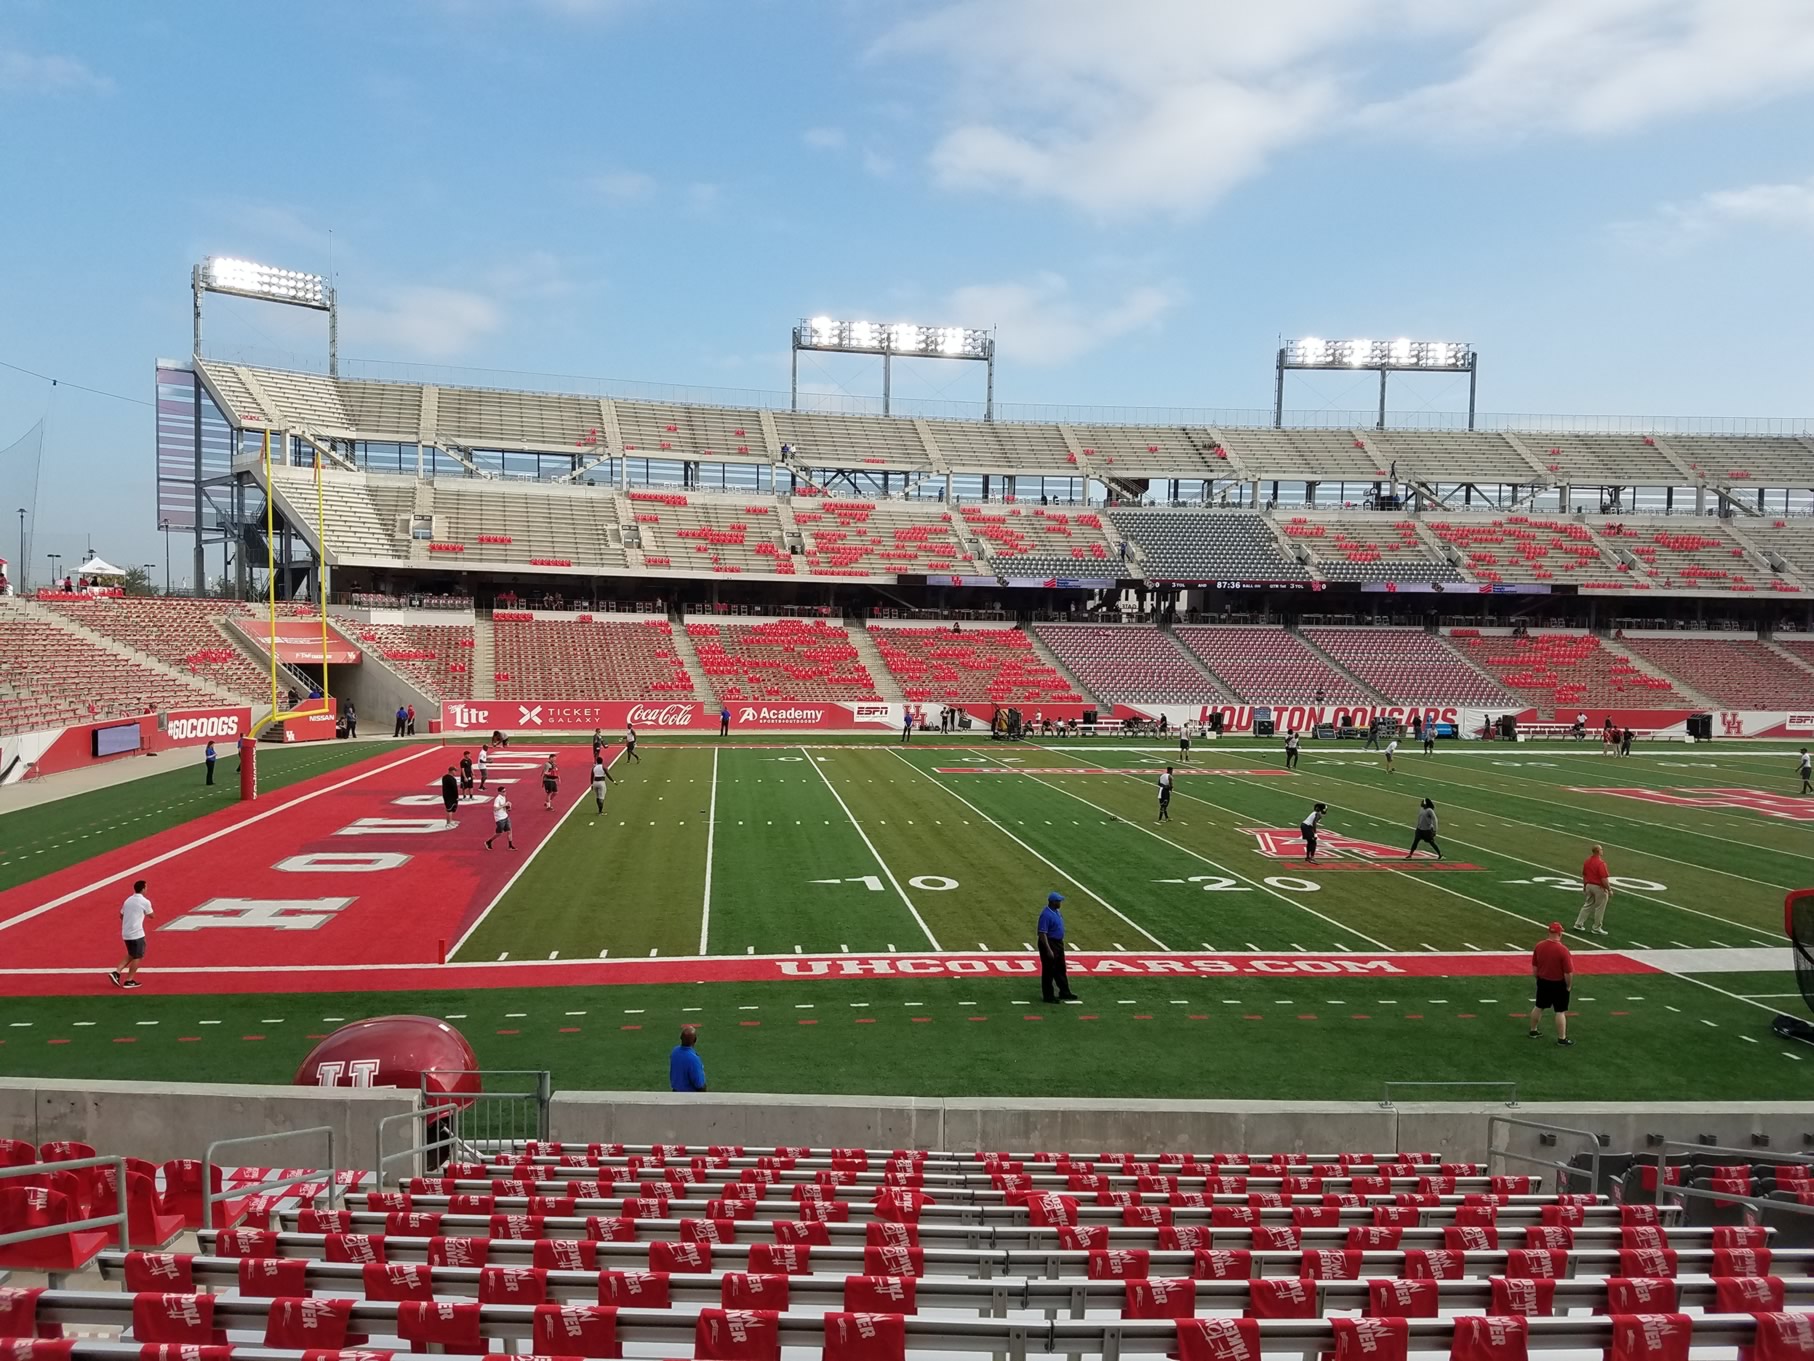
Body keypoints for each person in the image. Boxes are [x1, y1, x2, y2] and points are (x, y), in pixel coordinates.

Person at [1528, 922, 1574, 1047]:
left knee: (1539, 1006)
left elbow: (1535, 967)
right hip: (1558, 983)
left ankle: (1533, 1030)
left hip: (1543, 981)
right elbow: (1568, 972)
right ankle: (1561, 1038)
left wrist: (1538, 979)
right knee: (1560, 1011)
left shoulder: (1539, 946)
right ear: (1560, 933)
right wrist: (1568, 986)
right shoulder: (1563, 950)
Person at [109, 880, 153, 989]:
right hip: (136, 933)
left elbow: (121, 915)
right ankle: (129, 980)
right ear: (142, 889)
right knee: (138, 955)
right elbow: (151, 915)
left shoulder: (128, 900)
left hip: (126, 932)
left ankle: (117, 972)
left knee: (131, 954)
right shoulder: (145, 902)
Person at [1037, 892, 1078, 1003]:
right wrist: (1048, 949)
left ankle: (1064, 992)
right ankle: (1048, 996)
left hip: (1058, 943)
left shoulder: (1056, 912)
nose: (1060, 903)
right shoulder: (1046, 915)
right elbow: (1042, 933)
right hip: (1050, 943)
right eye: (1058, 901)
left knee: (1060, 968)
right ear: (1053, 902)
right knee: (1049, 970)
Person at [1574, 843, 1612, 935]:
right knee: (1600, 907)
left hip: (1588, 885)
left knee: (1587, 905)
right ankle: (1596, 927)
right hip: (1598, 887)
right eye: (1601, 849)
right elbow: (1603, 878)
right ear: (1599, 851)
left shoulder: (1587, 861)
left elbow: (1584, 874)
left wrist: (1584, 886)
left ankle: (1578, 923)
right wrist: (1609, 889)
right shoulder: (1601, 863)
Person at [669, 1025, 707, 1092]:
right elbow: (699, 1085)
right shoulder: (693, 1059)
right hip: (689, 1096)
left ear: (681, 1038)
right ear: (695, 1040)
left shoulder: (675, 1051)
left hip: (675, 1092)